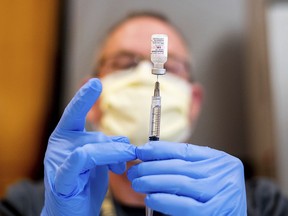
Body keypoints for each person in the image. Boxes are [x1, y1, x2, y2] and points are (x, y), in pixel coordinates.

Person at [0, 11, 287, 216]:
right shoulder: (31, 204)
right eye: (123, 64)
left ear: (193, 102)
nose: (143, 76)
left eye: (169, 66)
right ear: (92, 100)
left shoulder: (258, 204)